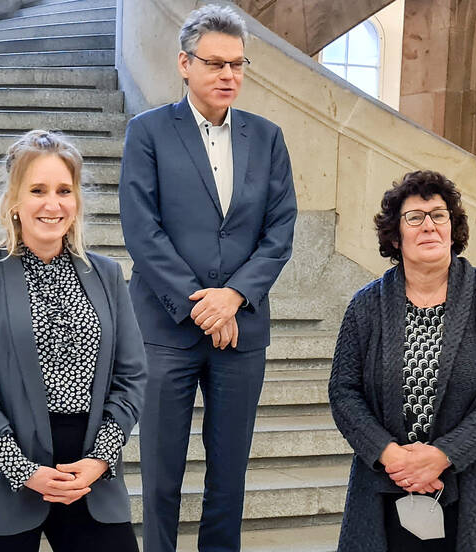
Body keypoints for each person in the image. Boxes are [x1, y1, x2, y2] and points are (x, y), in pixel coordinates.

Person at [118, 4, 297, 551]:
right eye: (216, 64)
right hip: (167, 329)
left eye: (237, 64)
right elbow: (141, 230)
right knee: (161, 472)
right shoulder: (147, 132)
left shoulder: (267, 138)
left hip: (240, 331)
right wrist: (201, 304)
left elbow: (280, 227)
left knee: (229, 474)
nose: (228, 75)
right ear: (184, 64)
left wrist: (235, 296)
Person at [0, 130, 146, 552]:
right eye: (37, 190)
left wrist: (99, 460)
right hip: (2, 478)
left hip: (90, 477)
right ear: (14, 201)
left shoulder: (106, 274)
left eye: (63, 190)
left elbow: (131, 378)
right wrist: (23, 470)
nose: (52, 204)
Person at [328, 170, 476, 551]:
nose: (429, 226)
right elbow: (343, 392)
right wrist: (391, 457)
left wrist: (442, 455)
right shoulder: (365, 306)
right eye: (415, 217)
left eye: (439, 215)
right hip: (385, 486)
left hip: (472, 488)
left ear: (453, 229)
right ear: (395, 234)